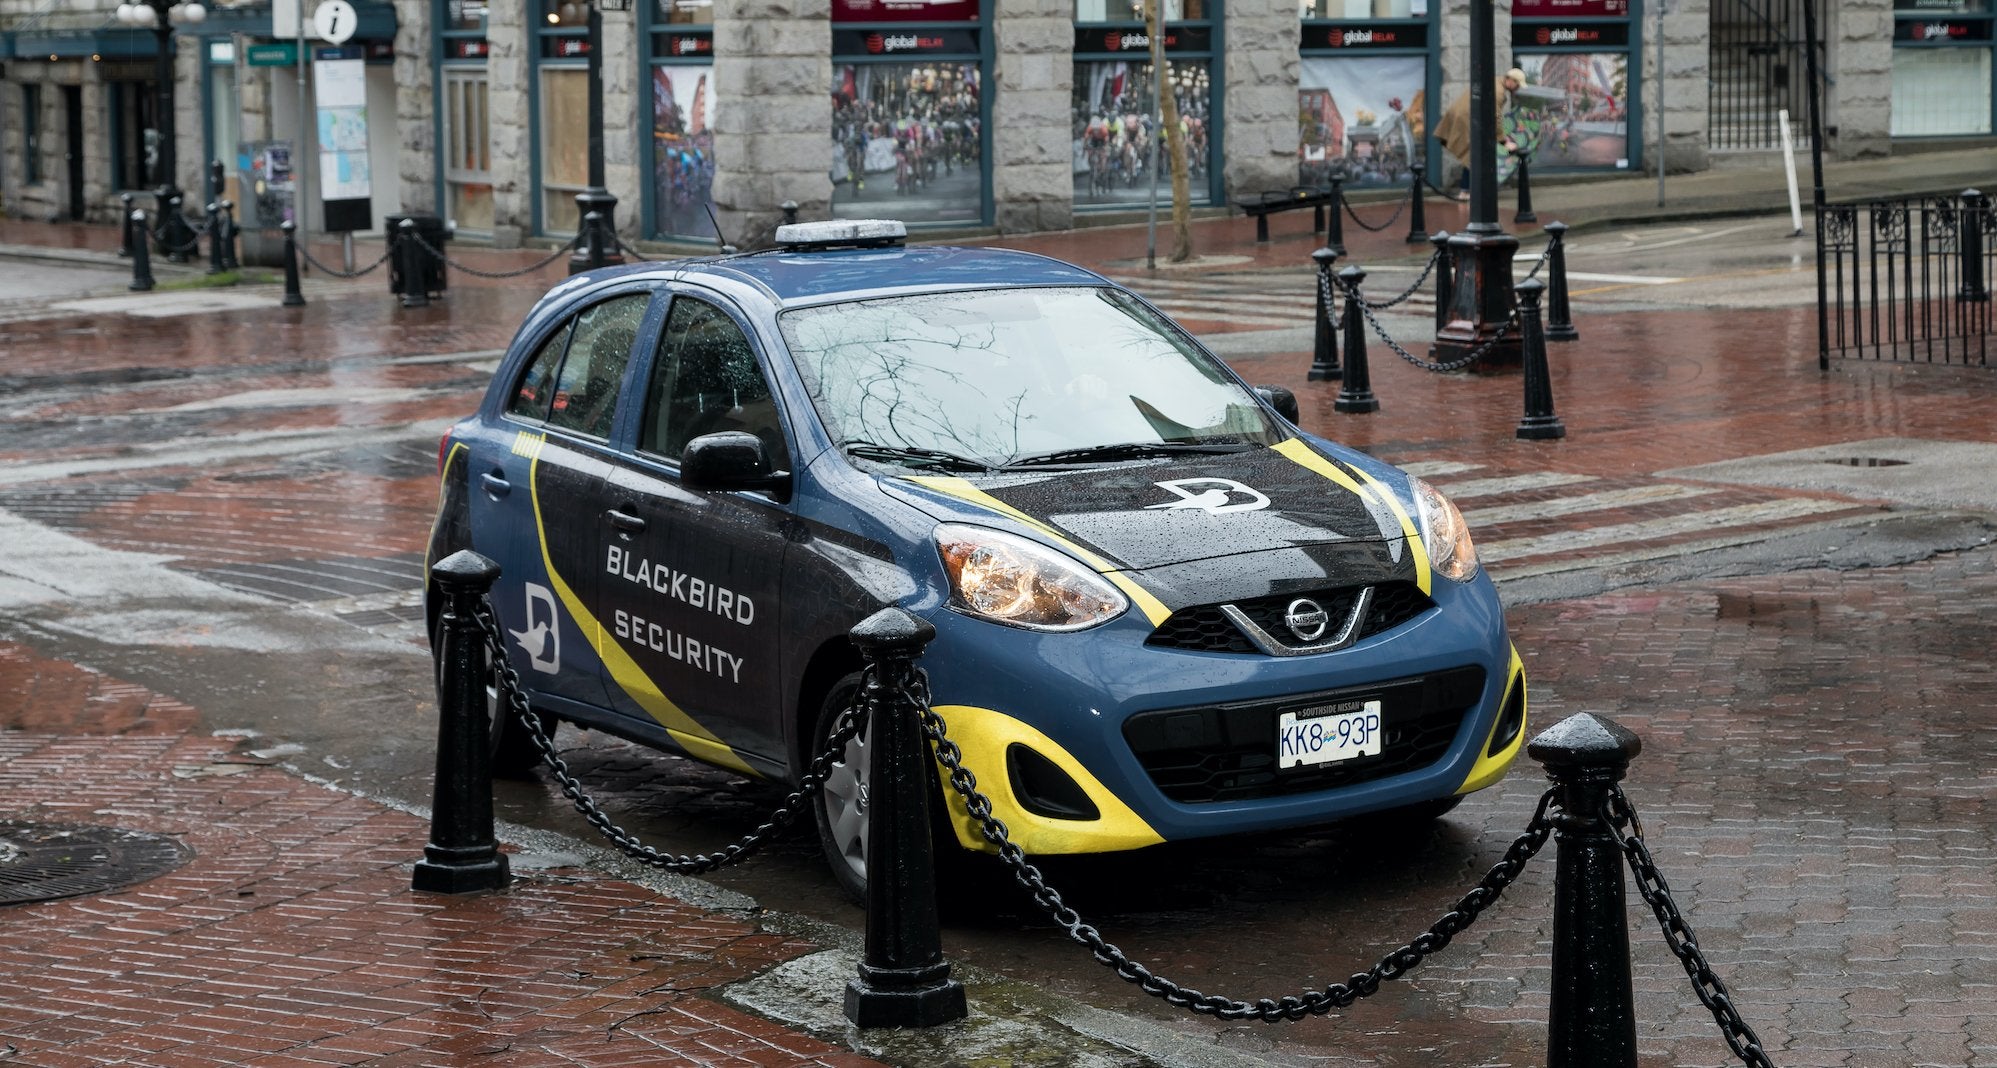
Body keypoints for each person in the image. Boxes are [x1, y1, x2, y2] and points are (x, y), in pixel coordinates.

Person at [1434, 67, 1524, 200]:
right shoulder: (1498, 92)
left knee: (1473, 156)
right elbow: (1496, 118)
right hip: (1467, 120)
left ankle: (1468, 190)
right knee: (1473, 155)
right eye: (1517, 85)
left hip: (1462, 117)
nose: (1517, 88)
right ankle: (1465, 191)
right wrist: (1503, 141)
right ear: (1510, 80)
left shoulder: (1494, 82)